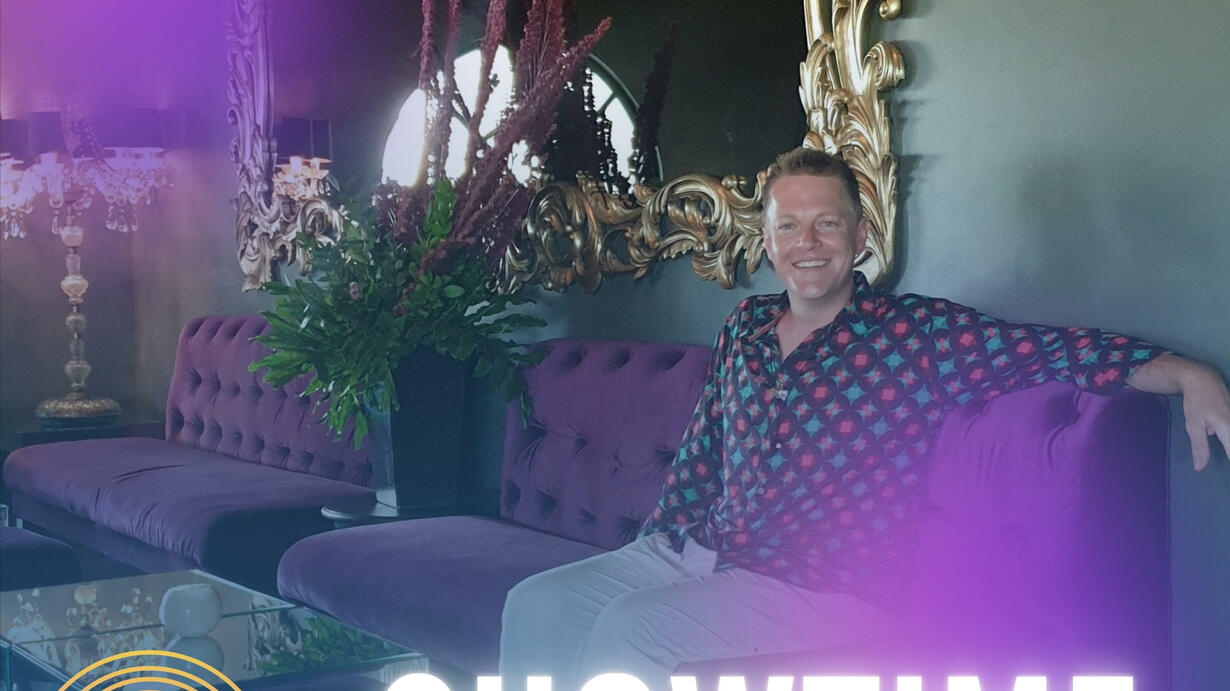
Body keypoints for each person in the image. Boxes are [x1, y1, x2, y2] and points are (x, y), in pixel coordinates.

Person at [498, 147, 1230, 691]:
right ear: (768, 241)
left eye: (827, 224)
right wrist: (657, 549)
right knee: (537, 605)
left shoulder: (916, 333)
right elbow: (702, 453)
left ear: (860, 235)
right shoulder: (745, 326)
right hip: (706, 550)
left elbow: (1053, 350)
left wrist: (1188, 374)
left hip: (824, 587)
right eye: (790, 226)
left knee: (629, 633)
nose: (808, 242)